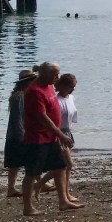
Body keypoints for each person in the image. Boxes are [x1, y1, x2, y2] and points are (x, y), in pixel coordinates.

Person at [21, 62, 81, 215]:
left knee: (60, 166)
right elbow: (42, 117)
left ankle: (63, 201)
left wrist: (58, 135)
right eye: (55, 75)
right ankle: (27, 207)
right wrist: (61, 135)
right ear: (45, 74)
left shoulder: (48, 87)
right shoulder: (35, 91)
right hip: (38, 137)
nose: (57, 78)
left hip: (52, 137)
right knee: (32, 172)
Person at [38, 73, 81, 204]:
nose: (71, 89)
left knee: (65, 166)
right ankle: (42, 185)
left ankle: (64, 193)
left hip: (68, 132)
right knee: (67, 164)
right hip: (59, 133)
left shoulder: (71, 98)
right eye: (69, 87)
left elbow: (71, 117)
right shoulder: (56, 100)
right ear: (61, 86)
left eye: (73, 87)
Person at [3, 69, 36, 197]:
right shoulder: (20, 96)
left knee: (15, 164)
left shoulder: (20, 95)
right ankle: (12, 188)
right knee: (29, 159)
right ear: (28, 82)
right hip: (18, 134)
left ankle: (11, 188)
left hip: (15, 134)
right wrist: (23, 135)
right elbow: (18, 118)